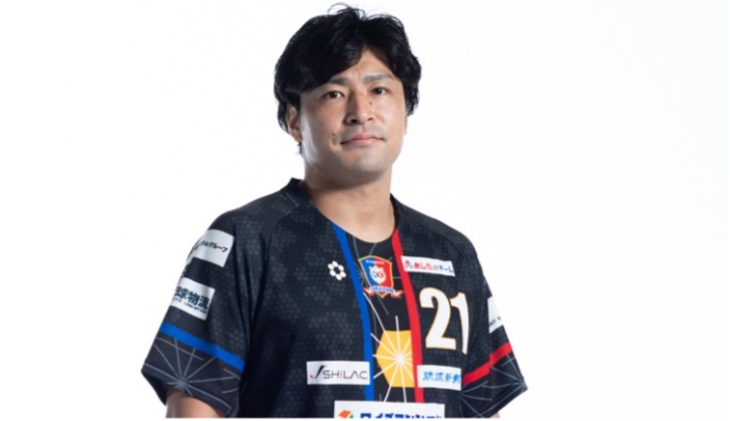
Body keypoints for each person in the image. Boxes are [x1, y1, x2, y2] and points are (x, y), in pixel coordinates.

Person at [141, 5, 527, 418]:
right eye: (334, 93)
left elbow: (483, 409)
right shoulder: (245, 241)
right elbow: (194, 406)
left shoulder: (451, 254)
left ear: (405, 113)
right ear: (294, 120)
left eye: (380, 90)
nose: (362, 111)